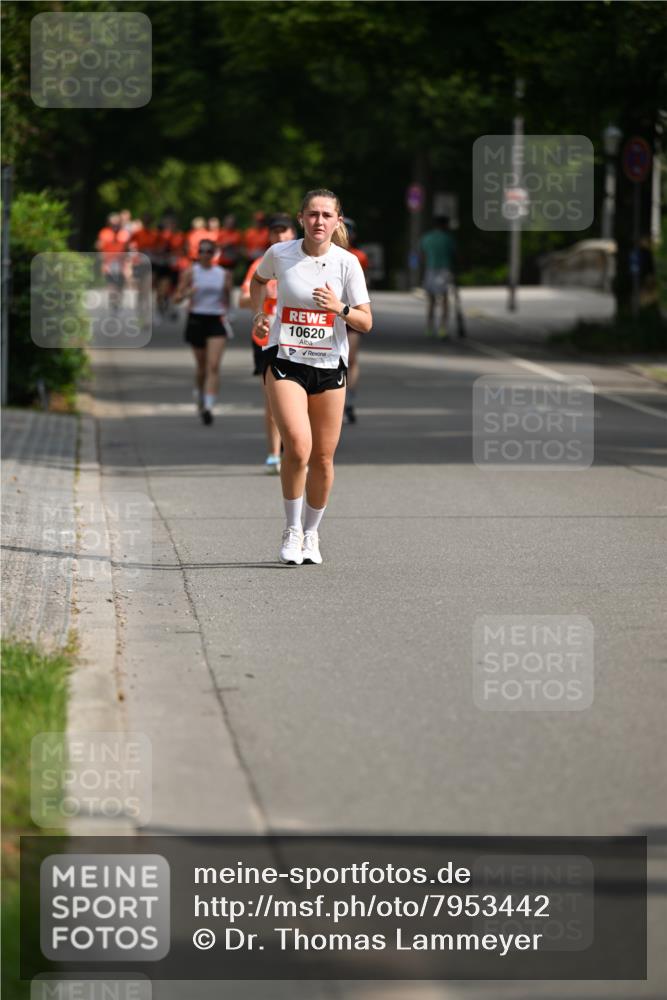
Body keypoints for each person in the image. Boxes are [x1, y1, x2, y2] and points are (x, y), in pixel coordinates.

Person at [250, 189, 372, 565]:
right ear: (301, 217)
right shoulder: (280, 254)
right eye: (313, 214)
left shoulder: (347, 263)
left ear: (337, 221)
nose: (319, 221)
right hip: (286, 359)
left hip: (329, 367)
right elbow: (258, 281)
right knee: (298, 447)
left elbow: (366, 322)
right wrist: (259, 312)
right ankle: (291, 529)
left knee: (322, 457)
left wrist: (339, 308)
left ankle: (312, 533)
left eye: (326, 215)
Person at [239, 212, 297, 474]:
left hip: (298, 337)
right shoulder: (260, 265)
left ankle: (295, 449)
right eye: (275, 232)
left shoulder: (303, 262)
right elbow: (241, 299)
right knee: (272, 399)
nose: (280, 236)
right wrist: (262, 302)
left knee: (299, 398)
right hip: (266, 338)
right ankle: (274, 455)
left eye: (285, 232)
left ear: (293, 234)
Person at [174, 239, 233, 426]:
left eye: (209, 251)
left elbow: (228, 298)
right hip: (196, 319)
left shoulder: (223, 274)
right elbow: (176, 298)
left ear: (215, 254)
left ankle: (208, 406)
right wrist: (186, 294)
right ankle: (199, 394)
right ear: (197, 253)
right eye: (202, 251)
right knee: (201, 367)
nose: (205, 254)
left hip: (216, 320)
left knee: (213, 366)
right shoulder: (191, 272)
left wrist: (228, 306)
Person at [342, 217, 370, 424]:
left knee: (351, 358)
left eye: (349, 231)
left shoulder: (359, 257)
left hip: (351, 312)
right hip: (330, 314)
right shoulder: (326, 254)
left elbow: (364, 284)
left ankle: (349, 400)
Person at [420, 215, 456, 338]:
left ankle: (429, 328)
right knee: (445, 300)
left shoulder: (427, 238)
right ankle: (442, 329)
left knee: (431, 301)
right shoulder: (447, 239)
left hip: (430, 269)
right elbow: (453, 256)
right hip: (444, 270)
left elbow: (423, 255)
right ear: (444, 225)